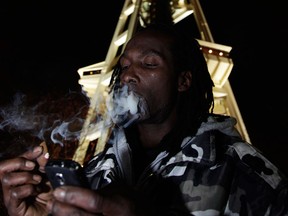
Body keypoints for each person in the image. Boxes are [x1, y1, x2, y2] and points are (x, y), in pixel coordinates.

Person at [0, 23, 287, 216]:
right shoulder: (95, 174)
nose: (127, 75)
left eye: (149, 64)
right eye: (124, 66)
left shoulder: (246, 173)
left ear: (184, 81)